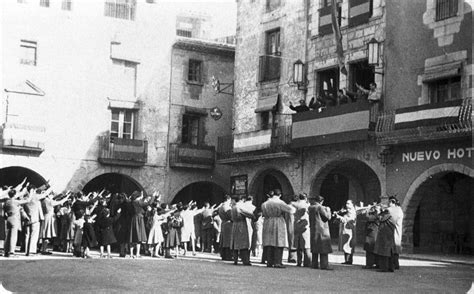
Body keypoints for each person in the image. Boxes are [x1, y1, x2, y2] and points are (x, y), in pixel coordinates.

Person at [261, 189, 295, 268]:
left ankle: (269, 262)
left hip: (268, 221)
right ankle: (277, 262)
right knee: (279, 242)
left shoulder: (265, 203)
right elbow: (291, 210)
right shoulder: (279, 202)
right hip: (278, 221)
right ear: (280, 195)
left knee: (269, 242)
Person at [374, 197, 403, 272]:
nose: (387, 204)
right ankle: (391, 267)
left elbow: (381, 218)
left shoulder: (389, 210)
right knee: (391, 251)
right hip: (391, 232)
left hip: (385, 232)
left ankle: (384, 268)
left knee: (384, 251)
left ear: (392, 202)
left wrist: (378, 211)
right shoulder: (398, 209)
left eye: (389, 202)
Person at [4, 189, 31, 257]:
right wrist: (31, 193)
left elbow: (4, 212)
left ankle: (6, 251)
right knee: (13, 236)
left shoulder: (6, 202)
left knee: (8, 236)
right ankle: (12, 252)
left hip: (8, 218)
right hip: (14, 219)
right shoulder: (16, 202)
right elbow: (28, 201)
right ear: (15, 195)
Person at [308, 195, 333, 270]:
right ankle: (324, 265)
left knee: (315, 247)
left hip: (314, 229)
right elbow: (327, 217)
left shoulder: (310, 207)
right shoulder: (320, 207)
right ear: (321, 201)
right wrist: (328, 210)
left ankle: (314, 264)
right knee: (323, 248)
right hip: (322, 230)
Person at [230, 195, 255, 266]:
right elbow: (249, 214)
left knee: (235, 243)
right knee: (243, 243)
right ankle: (245, 260)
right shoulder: (240, 207)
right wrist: (253, 216)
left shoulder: (233, 207)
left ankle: (235, 259)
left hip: (234, 225)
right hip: (241, 225)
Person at [23, 187, 45, 256]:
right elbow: (39, 209)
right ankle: (32, 251)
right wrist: (42, 218)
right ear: (34, 190)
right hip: (35, 219)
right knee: (34, 235)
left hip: (27, 219)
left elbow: (21, 209)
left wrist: (25, 216)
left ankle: (26, 250)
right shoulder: (36, 199)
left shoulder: (25, 199)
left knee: (27, 235)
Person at [292, 193, 311, 267]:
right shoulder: (307, 205)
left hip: (296, 224)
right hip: (304, 225)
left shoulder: (295, 204)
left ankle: (299, 261)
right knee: (306, 244)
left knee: (298, 243)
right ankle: (307, 262)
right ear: (306, 198)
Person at [362, 201, 381, 269]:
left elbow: (368, 218)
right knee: (372, 249)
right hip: (372, 233)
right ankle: (376, 263)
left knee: (370, 249)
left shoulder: (377, 213)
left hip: (373, 234)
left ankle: (370, 264)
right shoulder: (375, 213)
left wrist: (367, 211)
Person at [218, 195, 233, 261]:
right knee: (228, 240)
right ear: (228, 199)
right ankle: (228, 255)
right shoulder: (227, 207)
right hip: (228, 224)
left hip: (223, 223)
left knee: (223, 240)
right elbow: (230, 215)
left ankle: (223, 255)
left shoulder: (221, 207)